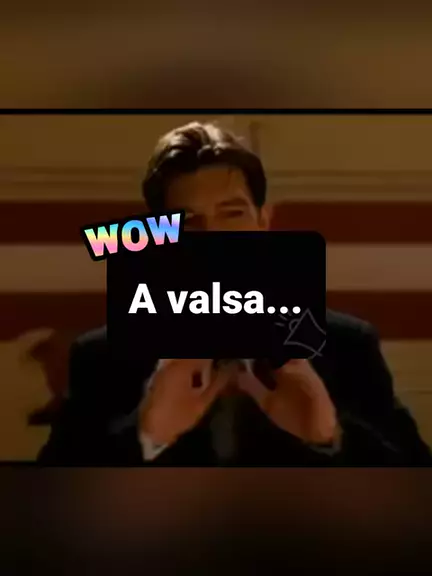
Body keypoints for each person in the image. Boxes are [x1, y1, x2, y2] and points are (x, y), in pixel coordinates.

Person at [38, 121, 432, 466]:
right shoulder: (100, 358)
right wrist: (145, 436)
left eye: (232, 213)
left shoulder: (346, 345)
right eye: (189, 222)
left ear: (264, 222)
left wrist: (331, 438)